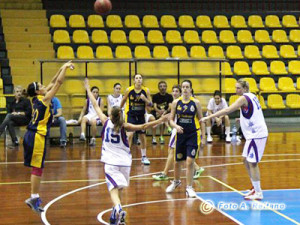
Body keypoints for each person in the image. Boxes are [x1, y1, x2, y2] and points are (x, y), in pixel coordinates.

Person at [84, 78, 168, 225]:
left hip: (111, 162)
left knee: (112, 189)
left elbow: (95, 104)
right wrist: (160, 121)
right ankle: (116, 214)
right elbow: (143, 126)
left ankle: (118, 209)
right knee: (119, 188)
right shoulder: (125, 125)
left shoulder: (105, 121)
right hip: (125, 162)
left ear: (110, 115)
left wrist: (88, 89)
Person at [201, 79, 268, 200]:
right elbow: (254, 112)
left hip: (256, 134)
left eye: (238, 88)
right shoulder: (252, 96)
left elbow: (227, 110)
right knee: (245, 160)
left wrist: (209, 116)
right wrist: (241, 119)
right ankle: (254, 186)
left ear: (245, 88)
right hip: (253, 135)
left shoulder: (243, 98)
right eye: (236, 87)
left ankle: (258, 192)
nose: (236, 90)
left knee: (252, 163)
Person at [24, 61, 74, 213]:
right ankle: (33, 197)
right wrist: (65, 69)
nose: (44, 85)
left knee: (37, 167)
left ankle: (34, 196)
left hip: (32, 135)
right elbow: (58, 82)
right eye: (41, 85)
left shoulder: (37, 98)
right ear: (38, 91)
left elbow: (52, 81)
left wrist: (62, 65)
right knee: (37, 168)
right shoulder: (44, 99)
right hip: (36, 136)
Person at [153, 84, 205, 181]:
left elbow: (169, 117)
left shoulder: (189, 102)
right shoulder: (175, 102)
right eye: (173, 91)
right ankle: (197, 168)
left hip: (181, 130)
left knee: (172, 152)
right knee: (174, 152)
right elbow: (170, 116)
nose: (175, 93)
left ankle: (165, 173)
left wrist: (159, 121)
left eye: (177, 91)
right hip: (177, 128)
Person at [166, 80, 206, 198]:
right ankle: (176, 181)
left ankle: (189, 187)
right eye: (183, 87)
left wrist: (204, 137)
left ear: (191, 89)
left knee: (189, 161)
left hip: (193, 135)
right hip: (180, 135)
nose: (185, 89)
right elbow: (171, 120)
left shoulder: (196, 103)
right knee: (177, 161)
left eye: (187, 87)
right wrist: (176, 126)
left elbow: (201, 120)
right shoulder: (175, 102)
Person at [120, 74, 152, 165]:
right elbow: (123, 100)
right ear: (134, 81)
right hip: (131, 115)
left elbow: (151, 105)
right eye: (137, 78)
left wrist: (145, 99)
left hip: (141, 115)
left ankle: (144, 156)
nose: (138, 80)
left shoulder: (146, 90)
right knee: (129, 135)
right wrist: (119, 110)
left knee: (142, 136)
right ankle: (127, 155)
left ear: (142, 80)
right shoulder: (129, 90)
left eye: (140, 78)